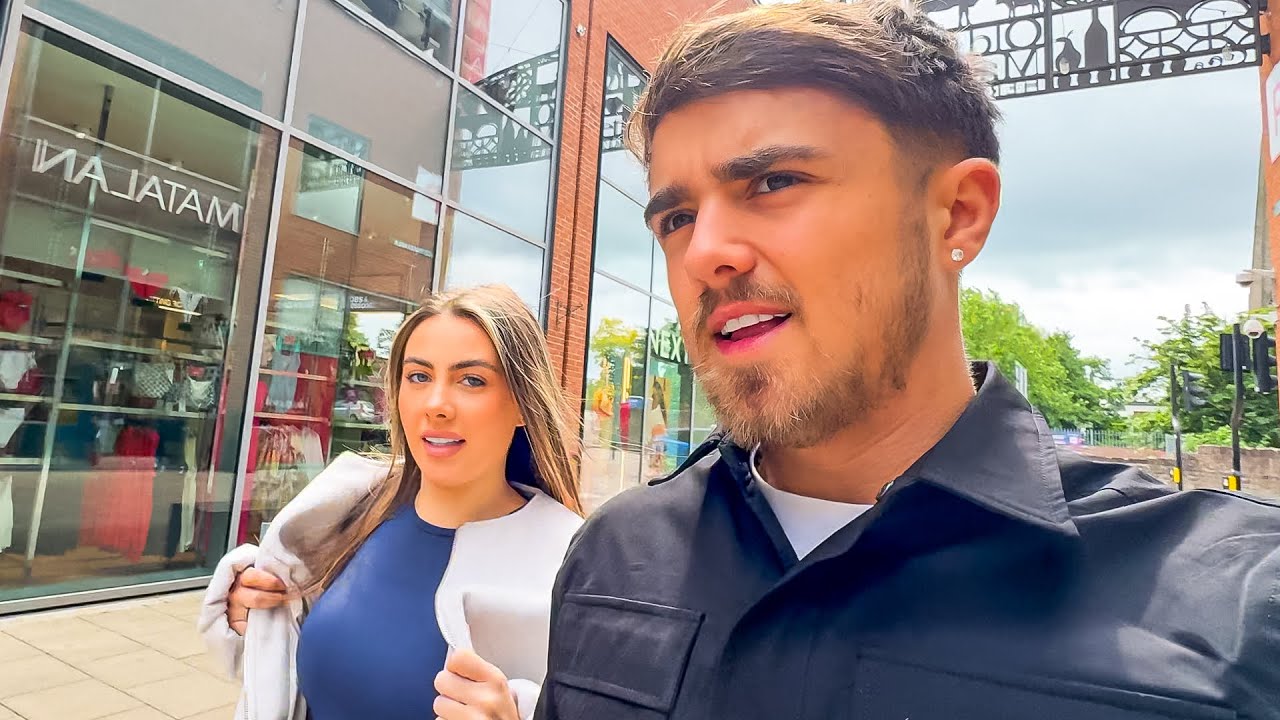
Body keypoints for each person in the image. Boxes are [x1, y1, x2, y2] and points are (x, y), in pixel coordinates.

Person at [534, 3, 1280, 719]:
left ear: (958, 213)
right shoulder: (614, 555)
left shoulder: (1237, 607)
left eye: (774, 182)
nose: (703, 253)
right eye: (677, 218)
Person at [199, 285, 583, 720]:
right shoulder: (344, 512)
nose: (436, 405)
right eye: (418, 376)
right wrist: (256, 619)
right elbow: (284, 677)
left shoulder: (573, 563)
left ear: (522, 404)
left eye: (471, 380)